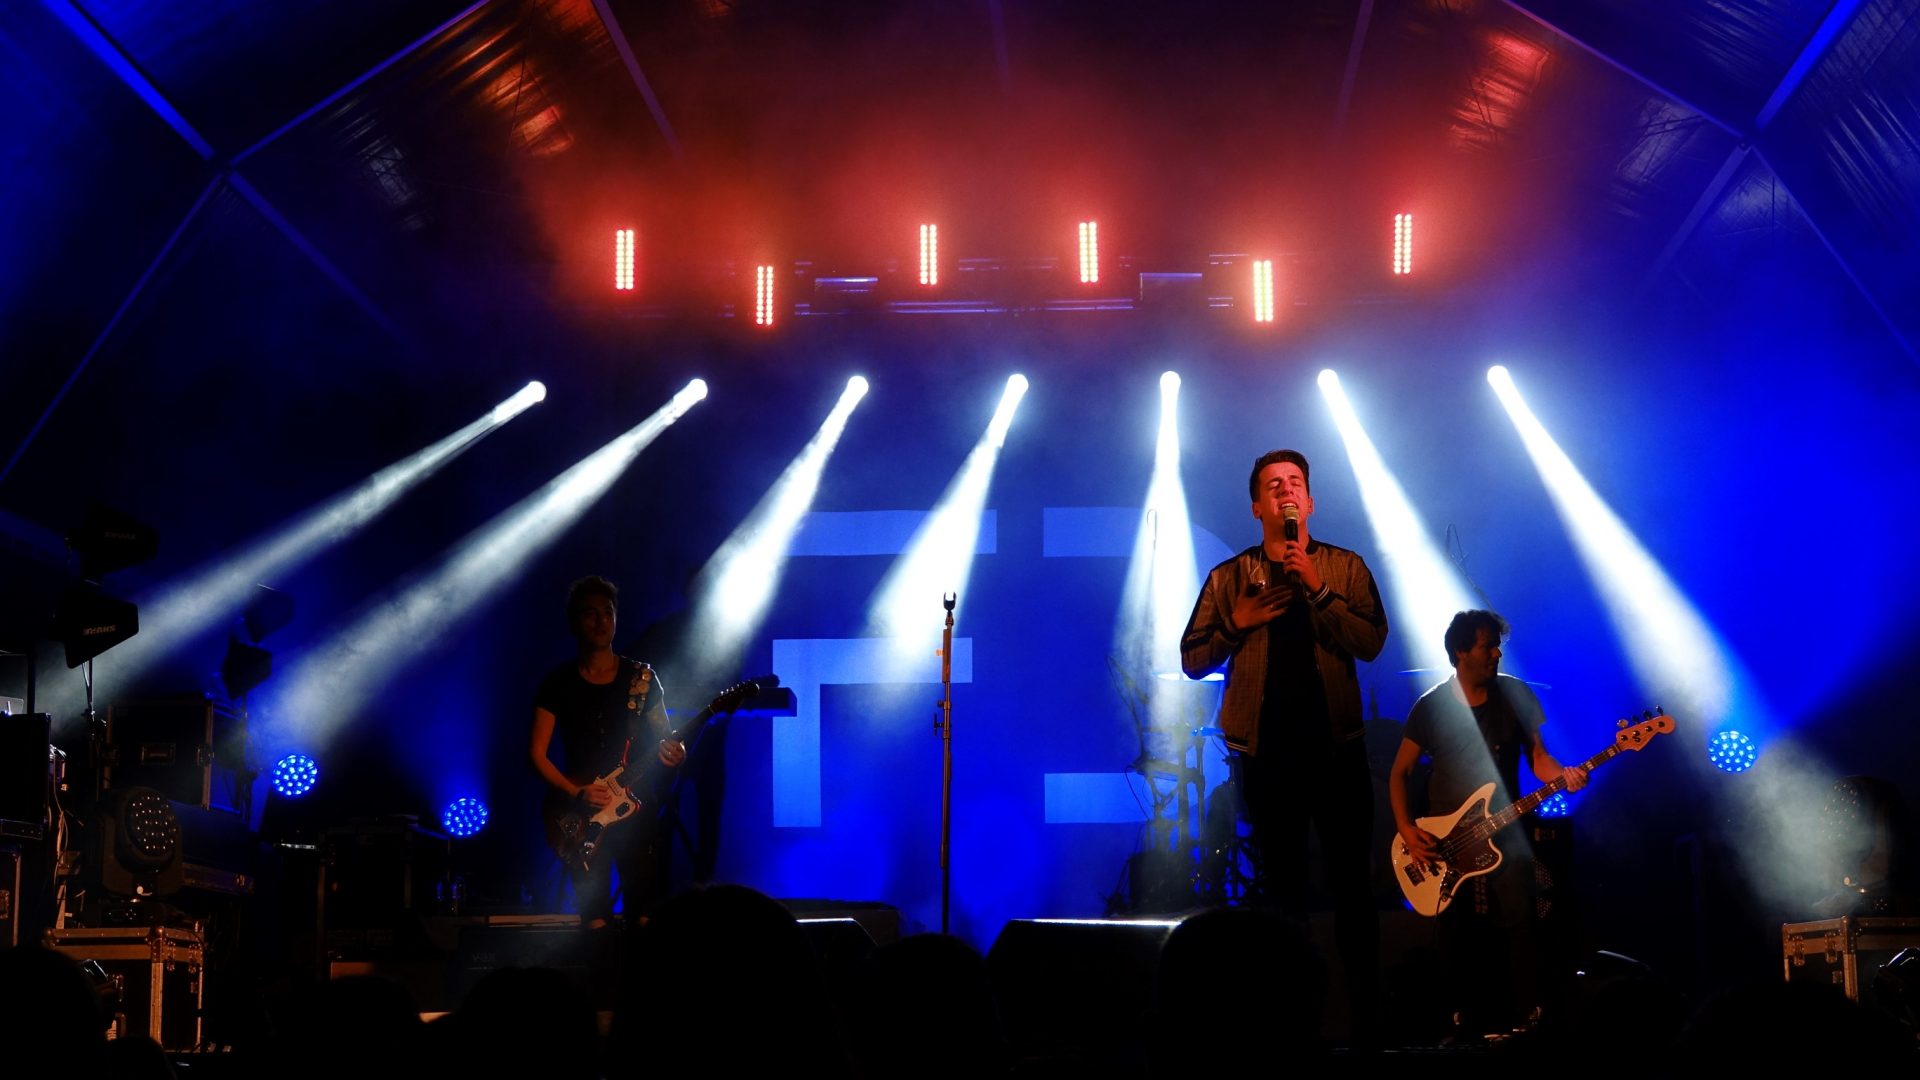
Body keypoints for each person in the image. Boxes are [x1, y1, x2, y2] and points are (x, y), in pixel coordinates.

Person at [1181, 448, 1389, 1045]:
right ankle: (1289, 1034)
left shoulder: (1344, 567)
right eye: (1273, 485)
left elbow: (1372, 642)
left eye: (1295, 482)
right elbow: (1192, 658)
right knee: (1282, 893)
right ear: (1257, 507)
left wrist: (1319, 590)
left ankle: (1368, 1030)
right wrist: (1236, 622)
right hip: (1267, 753)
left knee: (1353, 888)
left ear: (1311, 502)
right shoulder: (1229, 578)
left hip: (1337, 749)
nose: (1285, 492)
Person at [1388, 609, 1587, 1038]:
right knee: (1455, 931)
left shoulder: (1515, 695)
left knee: (1521, 920)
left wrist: (1565, 775)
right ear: (1461, 652)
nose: (1497, 654)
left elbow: (1539, 758)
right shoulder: (1432, 706)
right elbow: (1399, 772)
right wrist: (1406, 828)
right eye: (1487, 646)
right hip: (1443, 844)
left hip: (1505, 832)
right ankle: (1459, 1019)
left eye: (1497, 646)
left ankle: (1526, 1018)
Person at [530, 575, 686, 929]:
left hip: (636, 810)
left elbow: (667, 737)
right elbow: (536, 754)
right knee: (594, 921)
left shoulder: (641, 679)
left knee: (643, 918)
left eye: (608, 612)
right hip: (582, 813)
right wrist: (576, 792)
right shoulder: (557, 683)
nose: (601, 621)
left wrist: (677, 753)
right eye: (591, 614)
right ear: (574, 622)